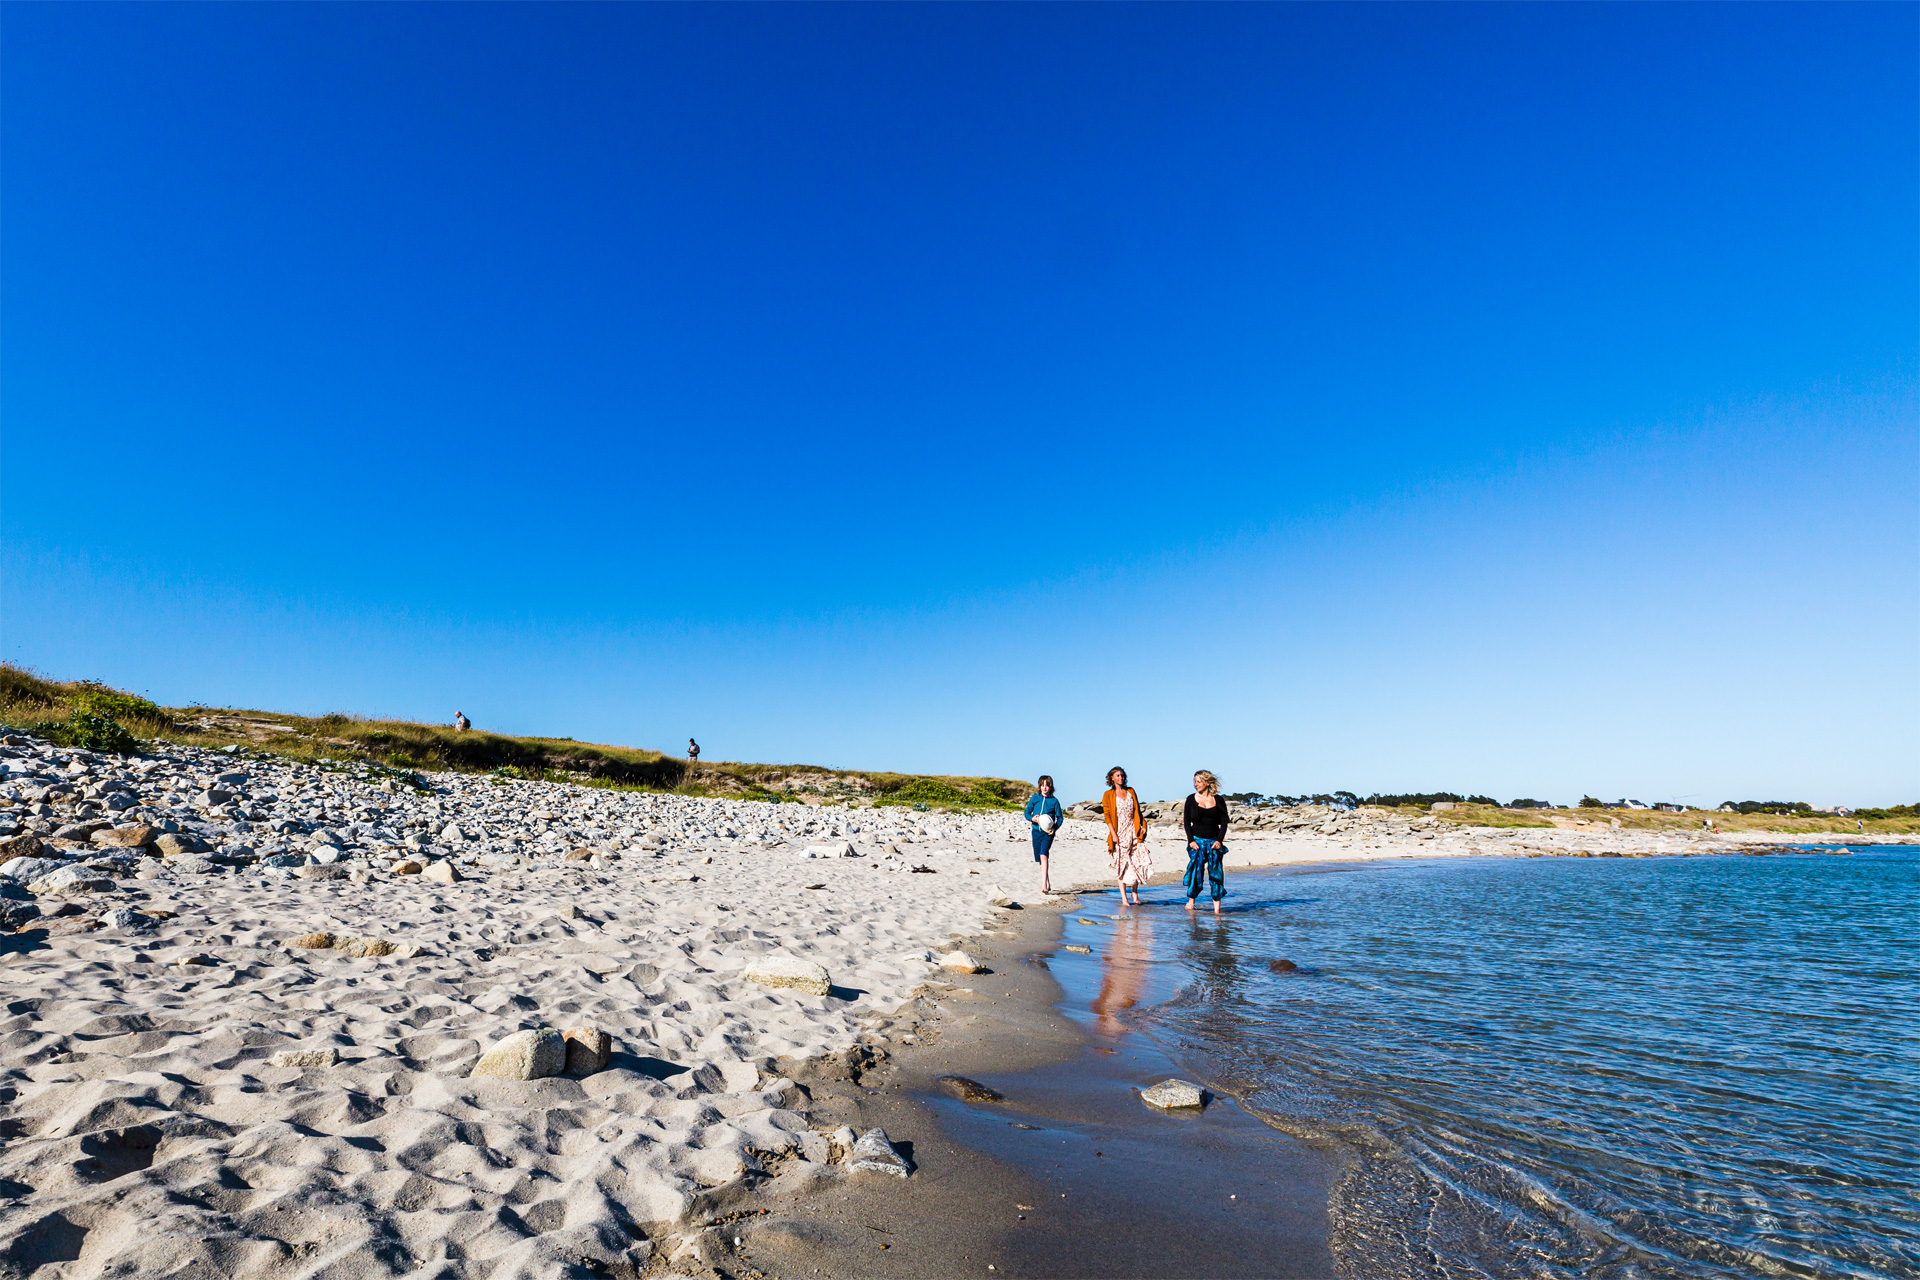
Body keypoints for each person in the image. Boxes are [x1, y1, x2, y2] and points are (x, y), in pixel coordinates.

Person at [1102, 766, 1151, 906]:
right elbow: (1108, 817)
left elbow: (1138, 811)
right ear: (1111, 778)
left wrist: (1143, 826)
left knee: (1137, 861)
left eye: (1122, 775)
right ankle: (1124, 899)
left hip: (1133, 830)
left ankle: (1135, 892)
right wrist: (1113, 834)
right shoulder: (1108, 795)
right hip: (1119, 832)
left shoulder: (1131, 791)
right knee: (1121, 865)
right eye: (1117, 775)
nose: (1121, 778)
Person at [1184, 769, 1229, 915]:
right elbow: (1186, 822)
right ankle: (1191, 902)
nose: (1195, 784)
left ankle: (1217, 910)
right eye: (1194, 782)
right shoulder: (1191, 799)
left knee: (1216, 874)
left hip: (1214, 842)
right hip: (1197, 841)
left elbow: (1224, 823)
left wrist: (1219, 841)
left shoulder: (1219, 800)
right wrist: (1191, 841)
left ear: (1207, 782)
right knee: (1195, 873)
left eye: (1198, 781)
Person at [1024, 775, 1064, 894]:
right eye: (1042, 785)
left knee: (1043, 854)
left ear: (1050, 787)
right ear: (1040, 786)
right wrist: (1032, 819)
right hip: (1036, 831)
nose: (1044, 788)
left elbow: (1060, 817)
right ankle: (1047, 881)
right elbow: (1026, 812)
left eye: (1047, 785)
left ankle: (1043, 885)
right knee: (1039, 857)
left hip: (1048, 832)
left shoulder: (1054, 801)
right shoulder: (1035, 798)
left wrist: (1055, 828)